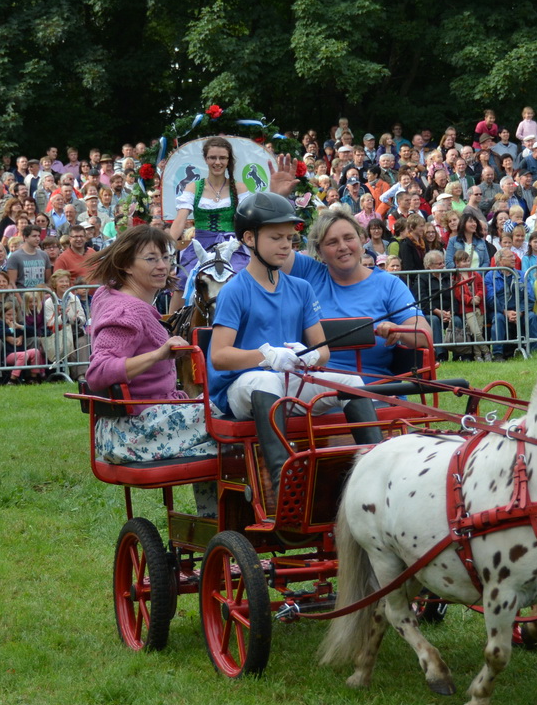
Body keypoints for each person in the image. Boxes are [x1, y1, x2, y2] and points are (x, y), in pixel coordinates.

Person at [205, 193, 382, 504]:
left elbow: (322, 350)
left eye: (289, 238)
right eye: (276, 237)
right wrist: (266, 356)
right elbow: (219, 357)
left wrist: (311, 355)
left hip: (288, 384)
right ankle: (283, 484)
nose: (286, 245)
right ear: (249, 238)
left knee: (353, 383)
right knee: (266, 379)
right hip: (241, 390)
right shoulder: (235, 290)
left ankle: (379, 472)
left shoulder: (301, 288)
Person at [84, 227, 218, 490]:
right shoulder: (126, 310)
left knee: (226, 422)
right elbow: (98, 373)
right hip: (133, 431)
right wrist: (158, 354)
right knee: (235, 421)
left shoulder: (110, 294)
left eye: (166, 258)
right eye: (151, 259)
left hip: (139, 421)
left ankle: (212, 524)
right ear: (126, 265)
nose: (162, 266)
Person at [286, 208, 425, 377]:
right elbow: (270, 247)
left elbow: (425, 335)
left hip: (376, 391)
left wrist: (399, 330)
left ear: (361, 241)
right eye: (332, 242)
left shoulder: (389, 284)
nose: (343, 247)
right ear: (320, 251)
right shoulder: (310, 272)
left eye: (348, 238)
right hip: (318, 390)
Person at [171, 136, 248, 293]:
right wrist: (165, 247)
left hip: (232, 246)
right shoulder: (194, 187)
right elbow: (180, 221)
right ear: (205, 159)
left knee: (241, 276)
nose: (217, 162)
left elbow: (249, 222)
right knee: (185, 279)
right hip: (201, 246)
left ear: (228, 160)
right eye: (213, 157)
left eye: (222, 158)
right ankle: (174, 317)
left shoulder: (239, 188)